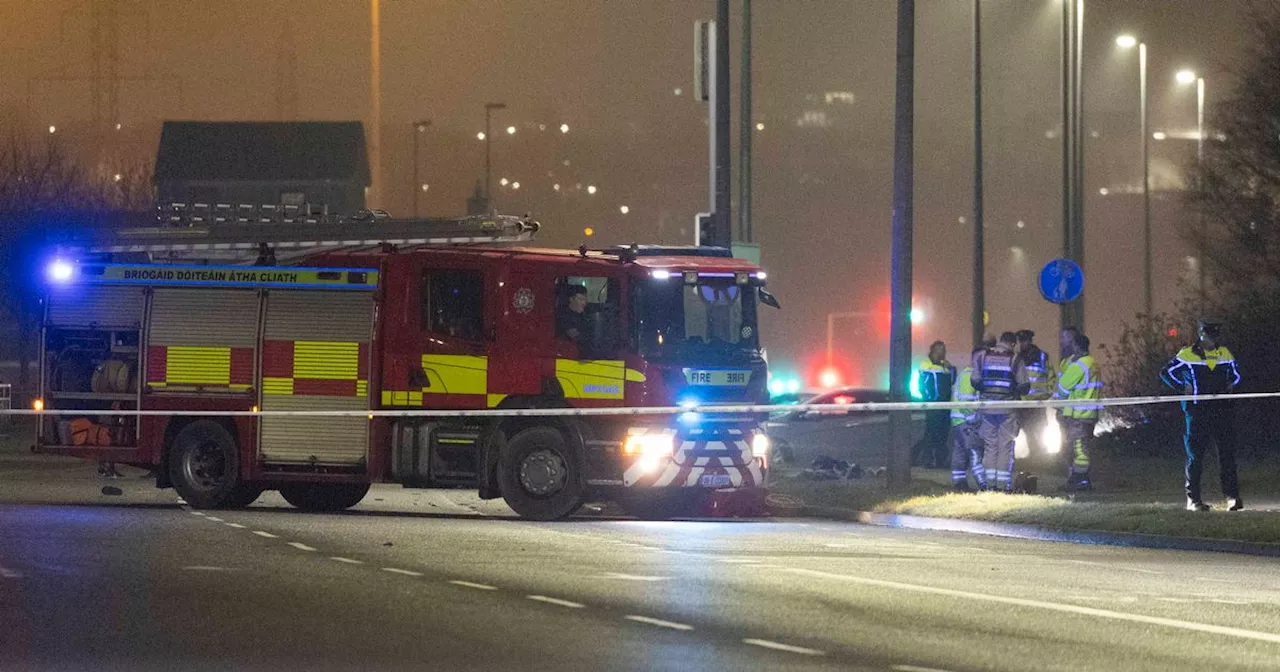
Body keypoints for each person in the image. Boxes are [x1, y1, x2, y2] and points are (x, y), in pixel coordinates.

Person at [1160, 319, 1243, 511]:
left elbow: (1237, 375)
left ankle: (1232, 497)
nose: (1212, 338)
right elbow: (1166, 372)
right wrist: (1182, 386)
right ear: (1201, 334)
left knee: (1227, 455)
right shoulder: (1187, 354)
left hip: (1222, 410)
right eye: (1208, 333)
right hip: (1197, 412)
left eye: (1215, 334)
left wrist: (1232, 384)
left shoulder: (1225, 353)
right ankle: (1193, 499)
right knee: (1195, 456)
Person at [971, 331, 1029, 492]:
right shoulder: (1015, 359)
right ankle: (1003, 486)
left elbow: (975, 381)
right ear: (1012, 343)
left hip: (987, 408)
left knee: (990, 446)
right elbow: (1024, 386)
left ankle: (990, 485)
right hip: (1007, 409)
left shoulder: (982, 356)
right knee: (1005, 446)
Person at [1053, 332, 1102, 491]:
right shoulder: (1093, 363)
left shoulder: (1079, 365)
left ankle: (1079, 480)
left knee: (1079, 449)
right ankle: (1081, 480)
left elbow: (1063, 387)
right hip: (1090, 414)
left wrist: (1059, 401)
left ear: (1076, 346)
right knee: (1083, 447)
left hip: (1078, 415)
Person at [914, 341, 956, 469]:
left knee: (943, 434)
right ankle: (926, 460)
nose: (943, 352)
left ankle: (940, 461)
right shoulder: (926, 364)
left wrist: (952, 369)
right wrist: (928, 399)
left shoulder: (945, 367)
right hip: (933, 405)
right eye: (940, 349)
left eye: (944, 349)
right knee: (931, 433)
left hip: (945, 406)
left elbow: (952, 382)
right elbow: (922, 384)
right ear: (933, 350)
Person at [949, 347, 986, 491]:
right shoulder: (970, 375)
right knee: (975, 451)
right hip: (966, 421)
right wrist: (974, 422)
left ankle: (959, 483)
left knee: (960, 452)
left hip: (958, 420)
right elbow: (966, 403)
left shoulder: (966, 374)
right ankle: (983, 484)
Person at [1015, 329, 1054, 457]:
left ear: (1029, 341)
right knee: (1026, 429)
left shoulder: (1042, 357)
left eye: (1023, 341)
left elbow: (1051, 376)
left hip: (1038, 401)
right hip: (1023, 401)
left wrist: (1047, 392)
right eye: (1019, 341)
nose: (1021, 344)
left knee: (1039, 428)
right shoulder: (1017, 358)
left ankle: (1040, 454)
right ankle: (1034, 454)